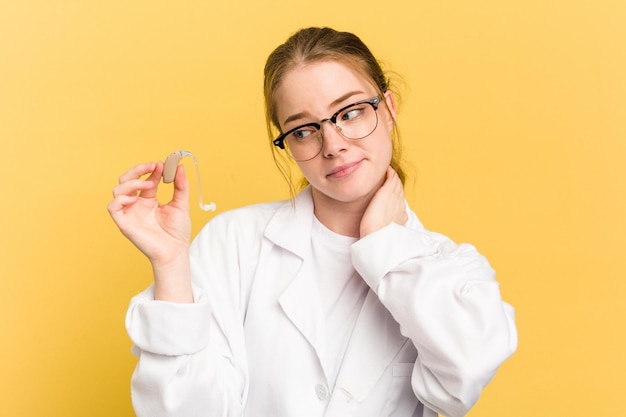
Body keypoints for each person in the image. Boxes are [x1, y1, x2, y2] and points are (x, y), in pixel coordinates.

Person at [108, 27, 517, 417]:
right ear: (287, 145)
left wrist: (385, 246)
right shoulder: (233, 242)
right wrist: (170, 265)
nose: (334, 145)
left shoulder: (446, 266)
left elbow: (462, 381)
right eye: (304, 130)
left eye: (351, 112)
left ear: (388, 110)